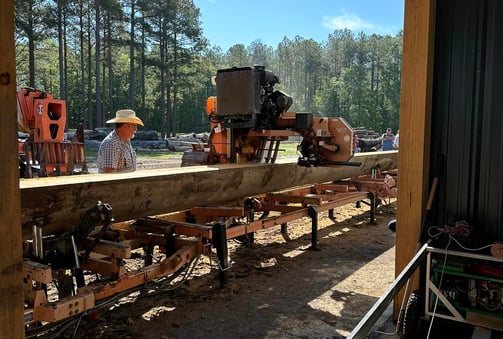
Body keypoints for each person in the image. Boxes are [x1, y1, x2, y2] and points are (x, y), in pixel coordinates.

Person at [97, 109, 144, 173]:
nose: (136, 129)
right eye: (134, 126)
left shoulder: (126, 140)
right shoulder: (111, 145)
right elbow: (110, 175)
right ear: (125, 127)